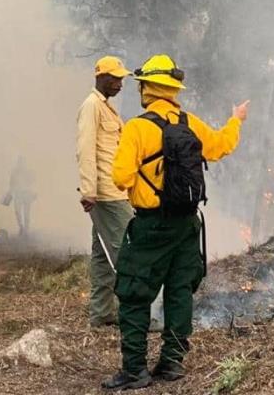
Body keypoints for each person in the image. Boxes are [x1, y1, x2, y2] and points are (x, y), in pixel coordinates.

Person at [103, 55, 249, 390]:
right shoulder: (190, 123)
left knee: (135, 293)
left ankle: (135, 370)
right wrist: (236, 119)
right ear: (171, 90)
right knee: (180, 291)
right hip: (187, 225)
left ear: (147, 89)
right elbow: (221, 146)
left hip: (151, 226)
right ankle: (172, 363)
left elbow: (120, 177)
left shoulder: (138, 127)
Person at [76, 56, 134, 327]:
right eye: (115, 78)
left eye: (121, 78)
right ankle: (134, 313)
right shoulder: (91, 107)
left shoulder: (106, 108)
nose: (120, 83)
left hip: (112, 191)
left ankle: (101, 313)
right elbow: (86, 150)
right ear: (100, 76)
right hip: (106, 194)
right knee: (127, 253)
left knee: (101, 256)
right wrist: (88, 190)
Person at [4, 155, 36, 238]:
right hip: (18, 194)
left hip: (26, 194)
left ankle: (26, 230)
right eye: (20, 162)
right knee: (18, 212)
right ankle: (22, 227)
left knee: (26, 213)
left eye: (22, 162)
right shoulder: (15, 172)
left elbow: (33, 182)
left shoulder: (28, 171)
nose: (21, 163)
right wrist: (9, 194)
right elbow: (11, 184)